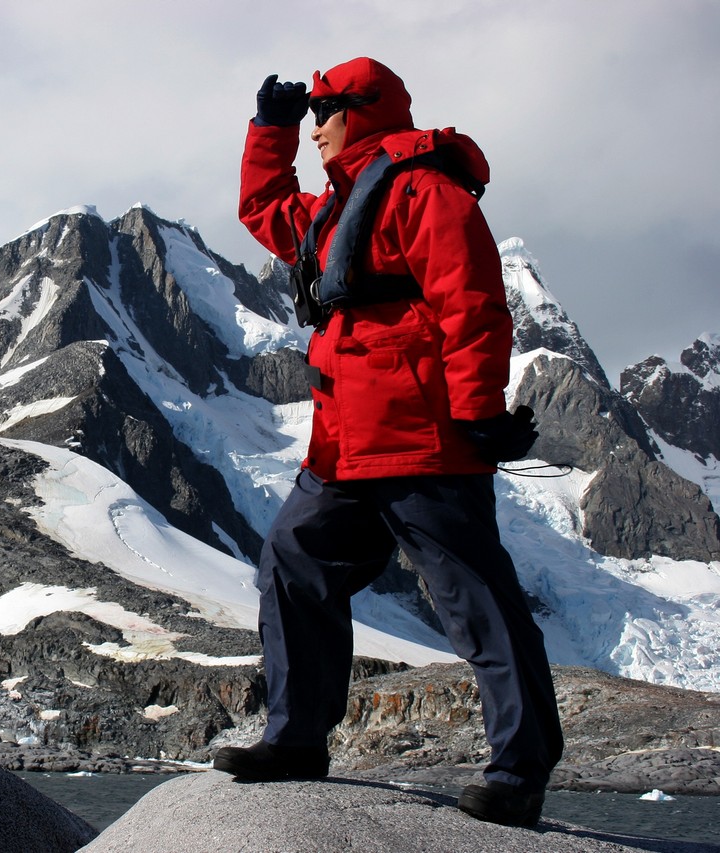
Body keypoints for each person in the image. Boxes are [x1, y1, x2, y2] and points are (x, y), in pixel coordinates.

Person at [213, 56, 564, 828]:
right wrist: (268, 130)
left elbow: (472, 301)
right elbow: (264, 208)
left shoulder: (425, 191)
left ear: (363, 110)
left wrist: (478, 410)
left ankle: (519, 769)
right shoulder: (336, 209)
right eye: (308, 116)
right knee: (293, 560)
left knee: (476, 602)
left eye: (323, 113)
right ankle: (295, 739)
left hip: (422, 441)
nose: (315, 129)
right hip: (344, 447)